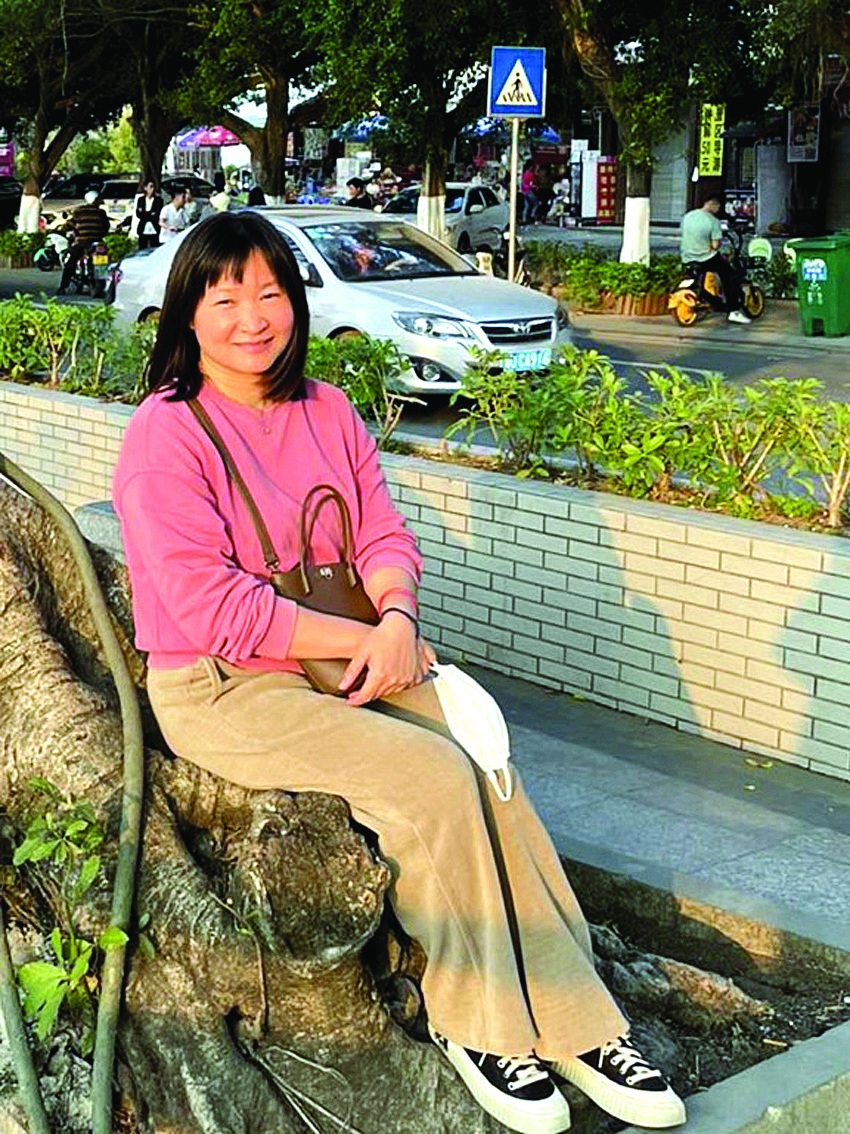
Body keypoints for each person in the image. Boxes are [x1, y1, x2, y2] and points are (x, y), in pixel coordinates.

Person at [112, 211, 686, 1134]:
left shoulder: (327, 409)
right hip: (223, 684)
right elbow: (207, 604)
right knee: (429, 779)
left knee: (485, 760)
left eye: (270, 294)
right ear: (186, 315)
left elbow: (382, 534)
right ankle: (480, 1023)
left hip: (352, 646)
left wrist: (398, 620)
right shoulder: (165, 433)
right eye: (224, 300)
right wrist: (362, 642)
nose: (252, 318)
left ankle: (579, 1022)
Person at [680, 193, 751, 324]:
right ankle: (733, 310)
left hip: (687, 257)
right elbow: (715, 246)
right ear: (713, 204)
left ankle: (712, 299)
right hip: (705, 258)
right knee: (730, 276)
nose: (718, 209)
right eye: (718, 206)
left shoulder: (688, 216)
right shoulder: (713, 221)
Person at [57, 189, 110, 295]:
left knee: (71, 263)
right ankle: (101, 283)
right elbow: (106, 227)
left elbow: (70, 225)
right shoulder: (101, 212)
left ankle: (63, 287)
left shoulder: (80, 211)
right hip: (98, 242)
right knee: (103, 262)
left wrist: (61, 230)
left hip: (82, 242)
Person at [135, 181, 163, 249]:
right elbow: (139, 214)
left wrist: (146, 214)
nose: (152, 189)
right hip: (143, 228)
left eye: (153, 187)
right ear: (145, 188)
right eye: (150, 187)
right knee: (142, 248)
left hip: (154, 229)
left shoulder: (158, 200)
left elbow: (157, 214)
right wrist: (149, 214)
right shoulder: (141, 200)